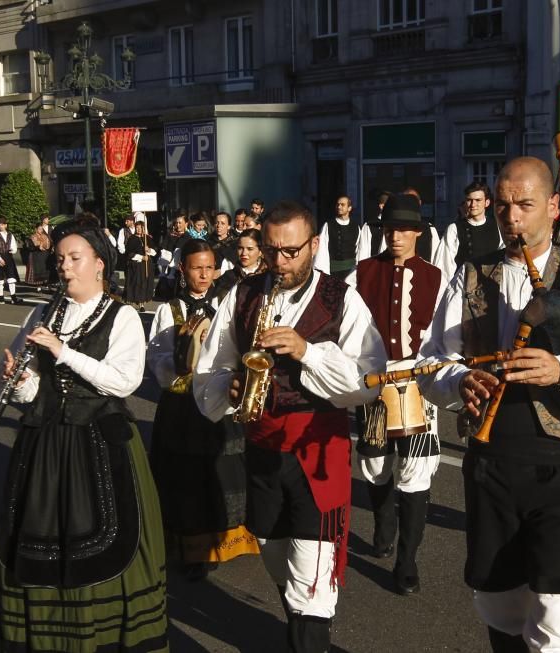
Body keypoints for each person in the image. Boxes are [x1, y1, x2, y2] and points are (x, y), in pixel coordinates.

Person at [417, 157, 560, 652]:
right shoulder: (472, 273)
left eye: (525, 205)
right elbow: (430, 361)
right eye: (503, 205)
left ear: (554, 206)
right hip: (492, 462)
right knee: (500, 603)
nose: (512, 218)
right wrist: (459, 381)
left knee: (558, 614)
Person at [193, 201, 385, 652]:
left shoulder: (343, 298)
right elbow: (210, 371)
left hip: (319, 455)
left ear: (314, 246)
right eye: (271, 250)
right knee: (279, 562)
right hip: (261, 451)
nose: (279, 263)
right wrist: (232, 387)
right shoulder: (242, 295)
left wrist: (307, 351)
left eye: (292, 252)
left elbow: (367, 380)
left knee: (312, 584)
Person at [0, 220, 167, 653]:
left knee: (106, 536)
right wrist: (17, 383)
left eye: (75, 259)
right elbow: (36, 389)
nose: (65, 268)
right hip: (46, 442)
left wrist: (62, 351)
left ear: (99, 265)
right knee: (40, 539)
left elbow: (124, 382)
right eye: (60, 260)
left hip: (101, 443)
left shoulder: (122, 315)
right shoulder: (42, 313)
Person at [147, 239, 260, 581]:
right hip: (182, 406)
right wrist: (179, 361)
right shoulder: (169, 311)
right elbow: (156, 359)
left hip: (220, 399)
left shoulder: (227, 305)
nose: (203, 274)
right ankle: (192, 550)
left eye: (209, 267)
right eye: (196, 267)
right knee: (187, 478)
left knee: (224, 473)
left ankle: (225, 540)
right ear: (182, 269)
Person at [350, 193, 446, 595]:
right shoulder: (363, 272)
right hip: (374, 381)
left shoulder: (436, 276)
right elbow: (350, 327)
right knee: (374, 463)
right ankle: (383, 523)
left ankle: (407, 561)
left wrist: (434, 366)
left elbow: (446, 331)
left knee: (415, 469)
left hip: (417, 382)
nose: (396, 236)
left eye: (405, 229)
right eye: (390, 229)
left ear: (418, 233)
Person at [433, 181, 504, 283]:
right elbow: (444, 267)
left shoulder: (498, 226)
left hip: (493, 286)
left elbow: (505, 259)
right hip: (463, 288)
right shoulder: (454, 229)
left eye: (478, 200)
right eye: (469, 200)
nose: (473, 204)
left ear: (487, 202)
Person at [314, 195, 360, 280]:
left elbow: (358, 250)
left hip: (351, 273)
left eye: (342, 205)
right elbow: (322, 250)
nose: (339, 207)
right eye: (337, 204)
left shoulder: (356, 227)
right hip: (333, 272)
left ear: (349, 208)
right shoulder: (328, 225)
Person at [214, 228, 267, 301]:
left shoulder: (268, 277)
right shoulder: (228, 277)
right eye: (240, 248)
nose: (244, 253)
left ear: (260, 251)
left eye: (250, 249)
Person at [124, 216, 157, 307]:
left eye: (141, 228)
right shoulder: (132, 238)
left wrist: (149, 250)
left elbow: (155, 251)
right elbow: (129, 253)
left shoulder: (147, 238)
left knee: (146, 282)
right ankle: (138, 300)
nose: (139, 229)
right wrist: (141, 257)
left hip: (147, 264)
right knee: (138, 282)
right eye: (137, 228)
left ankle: (144, 299)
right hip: (136, 265)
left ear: (143, 228)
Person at [0, 217, 23, 305]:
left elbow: (14, 247)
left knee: (11, 278)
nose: (0, 226)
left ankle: (13, 297)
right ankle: (1, 298)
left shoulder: (10, 235)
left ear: (5, 225)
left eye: (1, 224)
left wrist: (12, 250)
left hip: (8, 257)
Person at [358, 190, 391, 263]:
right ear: (382, 206)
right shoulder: (369, 225)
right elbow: (363, 251)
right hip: (375, 267)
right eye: (391, 205)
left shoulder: (395, 224)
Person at [24, 223, 53, 287]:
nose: (41, 230)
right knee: (37, 269)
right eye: (39, 229)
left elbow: (48, 244)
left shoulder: (45, 236)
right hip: (36, 255)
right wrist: (37, 247)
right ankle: (38, 285)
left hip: (44, 255)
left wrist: (45, 247)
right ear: (36, 229)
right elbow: (29, 247)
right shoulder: (32, 237)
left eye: (41, 229)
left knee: (44, 269)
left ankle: (46, 284)